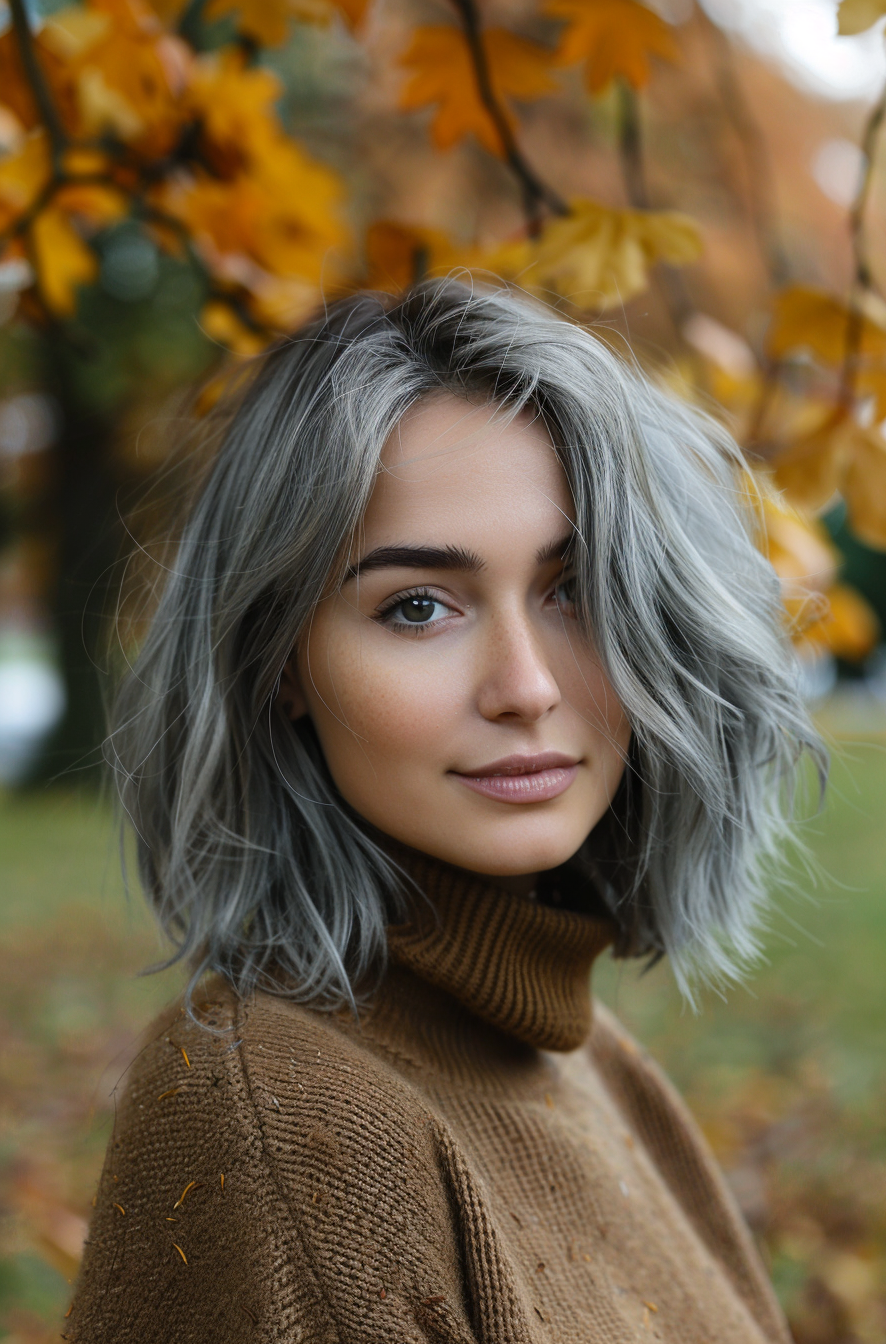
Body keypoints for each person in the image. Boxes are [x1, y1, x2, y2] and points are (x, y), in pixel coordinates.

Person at [70, 279, 824, 1342]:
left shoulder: (590, 1060)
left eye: (572, 589)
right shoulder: (282, 1125)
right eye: (417, 606)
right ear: (278, 661)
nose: (524, 686)